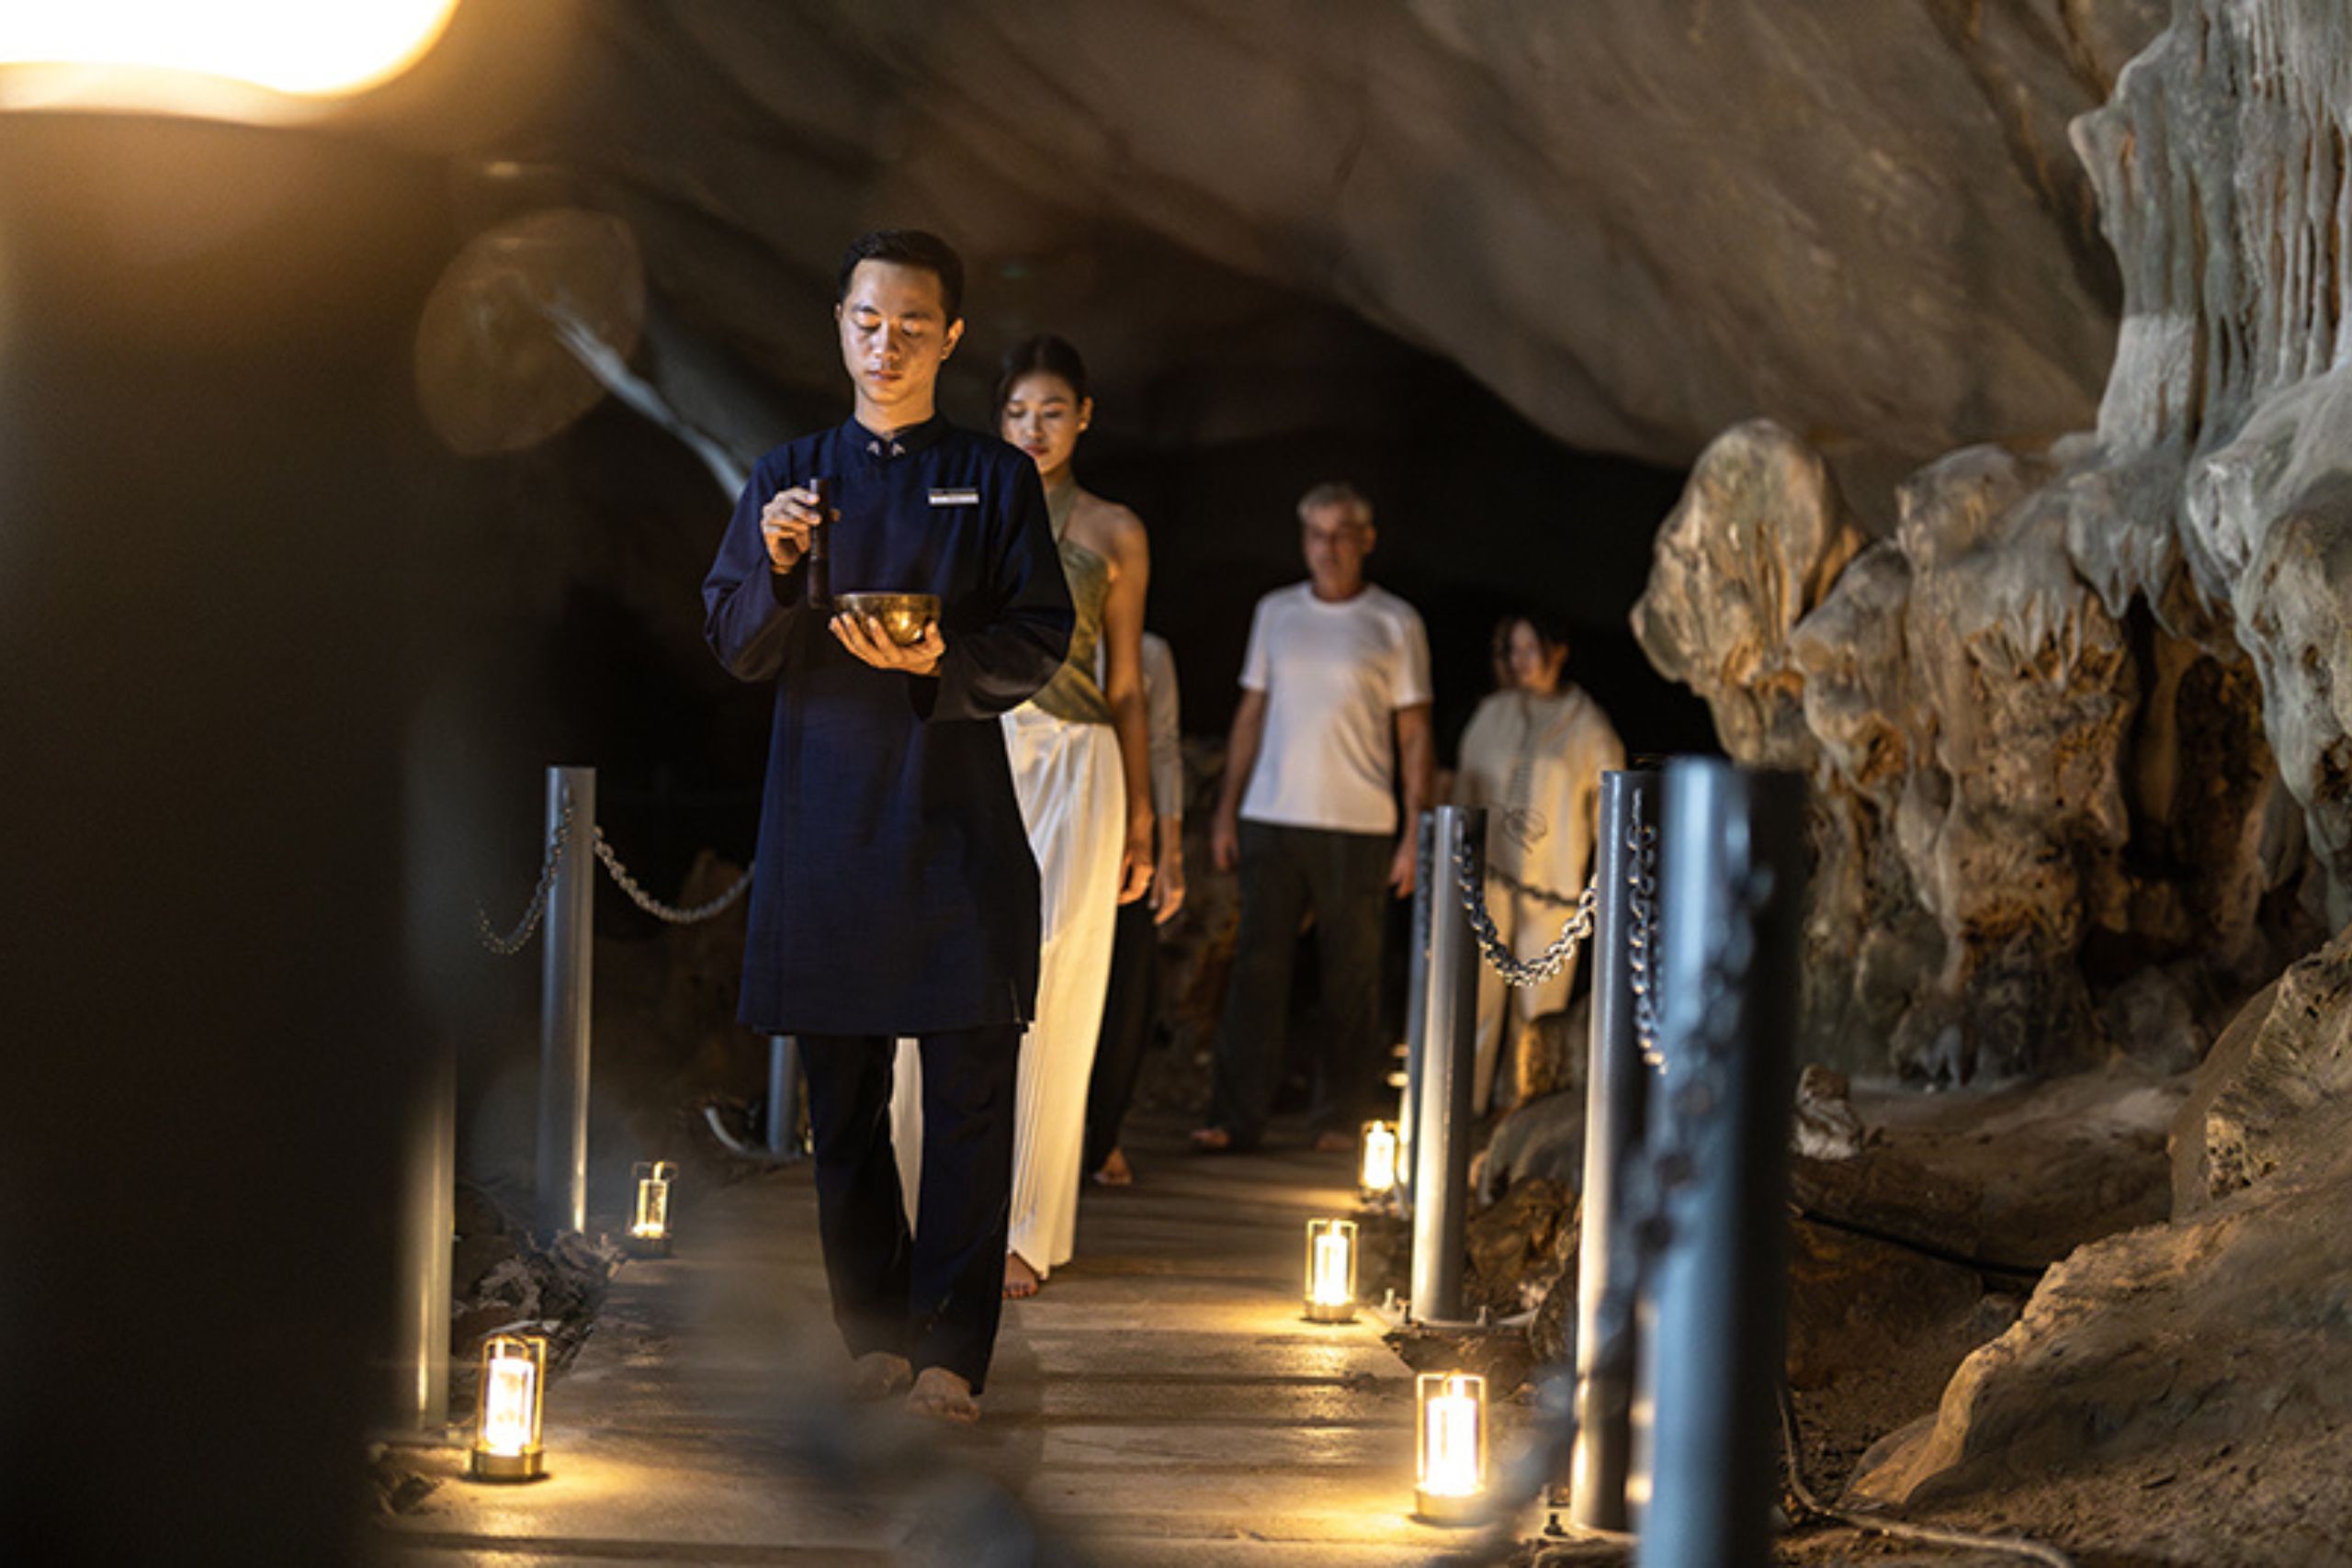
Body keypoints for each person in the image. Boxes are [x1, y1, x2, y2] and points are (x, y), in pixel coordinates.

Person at [701, 230, 1073, 1424]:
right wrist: (771, 560)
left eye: (913, 324)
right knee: (844, 1101)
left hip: (954, 817)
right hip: (824, 821)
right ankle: (871, 1329)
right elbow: (733, 639)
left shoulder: (996, 477)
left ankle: (954, 1348)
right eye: (868, 319)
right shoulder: (789, 476)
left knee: (969, 1089)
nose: (887, 342)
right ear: (840, 323)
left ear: (950, 337)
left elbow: (1038, 635)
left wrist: (941, 660)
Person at [888, 335, 1156, 1300]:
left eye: (1050, 411)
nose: (1031, 429)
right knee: (940, 973)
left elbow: (1127, 687)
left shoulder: (1115, 530)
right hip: (972, 746)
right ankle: (921, 1209)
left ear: (1083, 415)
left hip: (1079, 761)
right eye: (1014, 414)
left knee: (1056, 986)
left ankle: (1022, 1229)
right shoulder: (963, 503)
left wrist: (1147, 822)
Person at [1193, 482, 1434, 1155]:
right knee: (1256, 971)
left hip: (1359, 821)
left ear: (1366, 539)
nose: (1328, 547)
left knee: (1351, 975)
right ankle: (1233, 1116)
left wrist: (1415, 830)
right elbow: (1250, 715)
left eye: (1341, 533)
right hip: (1273, 812)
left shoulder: (1395, 622)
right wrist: (1225, 812)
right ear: (1303, 541)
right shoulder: (1276, 612)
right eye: (1317, 534)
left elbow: (1414, 731)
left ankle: (1339, 1115)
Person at [1454, 611, 1624, 1112]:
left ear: (1557, 649)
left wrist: (1604, 873)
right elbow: (1467, 785)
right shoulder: (1492, 716)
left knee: (1539, 1013)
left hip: (1552, 887)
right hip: (1489, 881)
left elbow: (1607, 804)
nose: (1522, 661)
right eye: (1514, 650)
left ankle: (1523, 1114)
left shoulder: (1587, 725)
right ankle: (1464, 1109)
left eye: (1531, 648)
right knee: (1476, 1002)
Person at [1084, 628, 1188, 1188]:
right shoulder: (1031, 625)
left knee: (1127, 988)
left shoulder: (1149, 651)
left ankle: (1104, 1135)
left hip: (1128, 832)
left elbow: (1165, 746)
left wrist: (1170, 852)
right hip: (1055, 818)